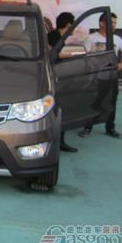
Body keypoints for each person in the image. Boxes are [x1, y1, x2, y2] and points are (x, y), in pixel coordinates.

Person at [78, 12, 122, 139]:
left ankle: (110, 128)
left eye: (115, 23)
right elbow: (83, 56)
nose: (114, 25)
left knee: (111, 102)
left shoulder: (117, 39)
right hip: (95, 78)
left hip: (111, 77)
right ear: (101, 23)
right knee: (93, 102)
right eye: (112, 22)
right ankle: (87, 127)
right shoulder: (91, 38)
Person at [48, 12, 78, 153]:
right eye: (73, 24)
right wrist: (70, 55)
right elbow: (52, 53)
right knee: (58, 108)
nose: (74, 28)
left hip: (58, 76)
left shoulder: (58, 36)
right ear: (68, 24)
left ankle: (59, 140)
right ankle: (58, 141)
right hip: (54, 78)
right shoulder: (53, 36)